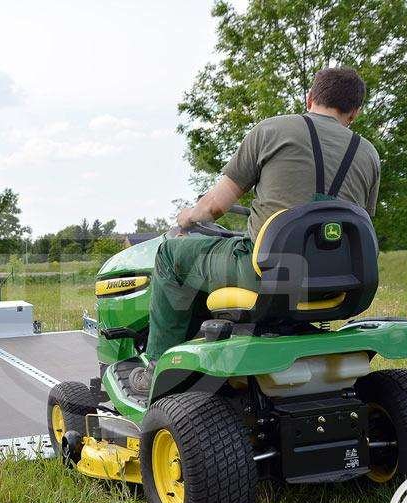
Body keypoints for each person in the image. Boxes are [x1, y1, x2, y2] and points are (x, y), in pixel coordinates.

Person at [130, 66, 381, 394]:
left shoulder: (271, 130)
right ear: (355, 112)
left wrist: (188, 217)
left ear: (309, 98)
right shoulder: (369, 153)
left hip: (265, 275)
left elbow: (215, 207)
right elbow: (358, 225)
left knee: (169, 255)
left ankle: (157, 365)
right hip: (339, 284)